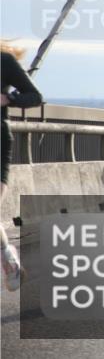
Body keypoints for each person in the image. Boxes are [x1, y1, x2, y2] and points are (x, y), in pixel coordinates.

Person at [1, 42, 43, 291]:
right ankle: (8, 259)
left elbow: (35, 97)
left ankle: (9, 261)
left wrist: (8, 98)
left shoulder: (3, 62)